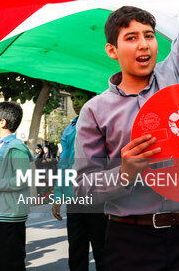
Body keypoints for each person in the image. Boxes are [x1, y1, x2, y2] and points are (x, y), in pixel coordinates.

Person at [73, 0, 179, 270]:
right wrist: (123, 173)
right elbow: (82, 190)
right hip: (130, 241)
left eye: (149, 35)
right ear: (112, 50)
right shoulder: (94, 111)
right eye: (131, 38)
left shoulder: (174, 75)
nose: (144, 45)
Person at [51, 88, 107, 271]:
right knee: (76, 252)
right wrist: (58, 197)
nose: (75, 102)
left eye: (79, 98)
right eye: (73, 98)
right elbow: (63, 165)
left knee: (103, 252)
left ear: (91, 99)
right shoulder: (69, 129)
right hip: (74, 199)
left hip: (97, 199)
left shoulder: (102, 124)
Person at [0, 101, 33, 271]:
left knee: (11, 264)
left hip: (9, 218)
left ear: (2, 122)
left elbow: (23, 179)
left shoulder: (15, 147)